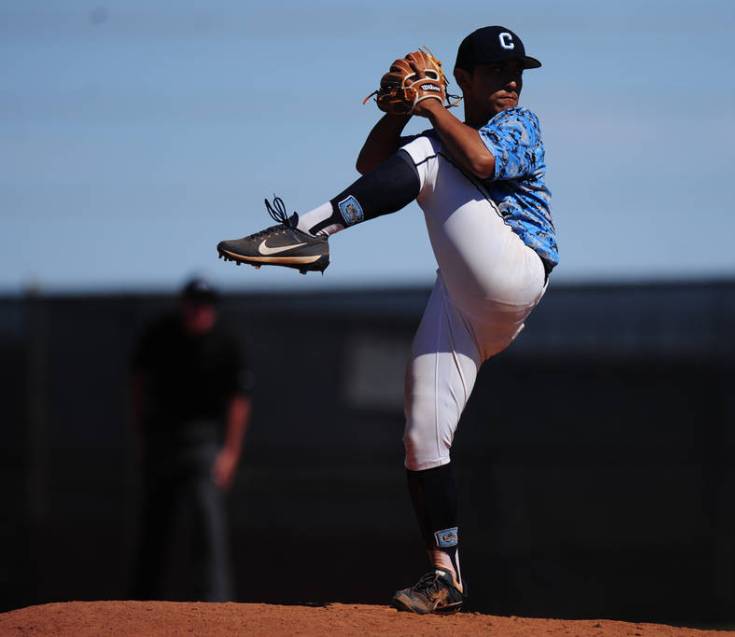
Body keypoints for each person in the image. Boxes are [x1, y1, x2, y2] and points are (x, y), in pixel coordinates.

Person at [217, 26, 556, 614]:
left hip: (515, 270)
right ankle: (445, 573)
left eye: (517, 72)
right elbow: (374, 166)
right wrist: (401, 112)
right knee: (421, 437)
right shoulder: (442, 130)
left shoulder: (519, 125)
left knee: (429, 155)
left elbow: (477, 156)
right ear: (466, 80)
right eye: (499, 73)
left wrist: (426, 107)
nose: (511, 82)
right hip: (465, 301)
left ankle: (306, 231)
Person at [130, 277, 252, 602]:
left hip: (205, 443)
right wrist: (142, 435)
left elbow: (239, 401)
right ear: (183, 305)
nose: (199, 311)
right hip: (163, 438)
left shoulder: (225, 343)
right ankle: (140, 602)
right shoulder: (160, 336)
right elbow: (139, 385)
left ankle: (215, 603)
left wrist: (230, 452)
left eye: (206, 305)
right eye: (194, 304)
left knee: (207, 523)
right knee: (155, 523)